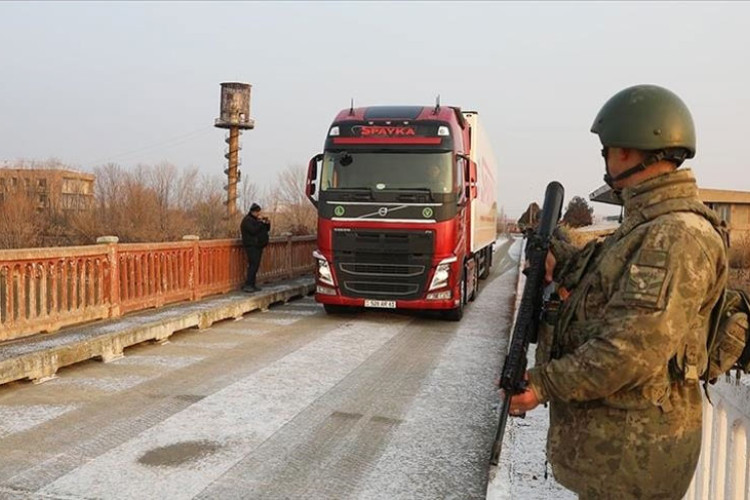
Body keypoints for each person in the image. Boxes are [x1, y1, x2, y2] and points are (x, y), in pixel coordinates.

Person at [508, 84, 728, 499]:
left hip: (633, 462)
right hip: (618, 455)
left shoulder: (674, 235)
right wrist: (559, 257)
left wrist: (542, 384)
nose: (606, 160)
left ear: (627, 150)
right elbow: (604, 287)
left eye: (607, 150)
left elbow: (630, 350)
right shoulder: (645, 227)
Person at [240, 203, 271, 293]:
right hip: (251, 246)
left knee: (255, 265)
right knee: (253, 265)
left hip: (258, 245)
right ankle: (248, 285)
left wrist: (267, 223)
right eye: (257, 212)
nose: (258, 214)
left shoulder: (256, 220)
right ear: (253, 212)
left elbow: (266, 229)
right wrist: (260, 223)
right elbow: (253, 231)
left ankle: (252, 284)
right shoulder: (247, 220)